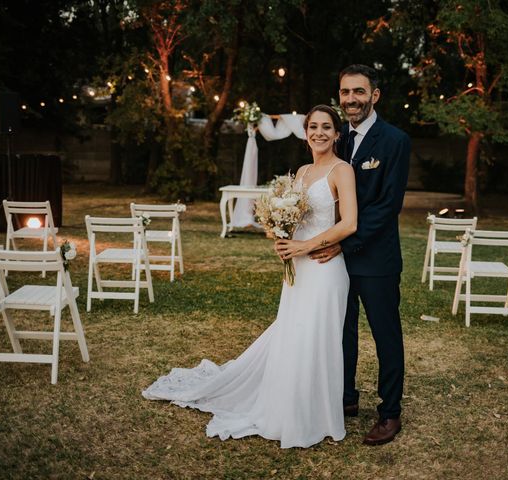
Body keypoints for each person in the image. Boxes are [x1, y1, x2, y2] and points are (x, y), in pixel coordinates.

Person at [142, 105, 357, 449]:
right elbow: (295, 218)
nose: (319, 132)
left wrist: (303, 247)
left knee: (318, 339)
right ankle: (289, 407)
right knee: (294, 335)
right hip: (298, 270)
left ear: (337, 134)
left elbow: (349, 223)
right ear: (305, 133)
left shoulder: (341, 170)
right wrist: (280, 234)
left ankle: (316, 415)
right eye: (313, 126)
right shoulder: (301, 171)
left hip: (325, 269)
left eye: (326, 127)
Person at [310, 64, 410, 446]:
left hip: (376, 259)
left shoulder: (394, 141)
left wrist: (344, 242)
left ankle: (389, 413)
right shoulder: (339, 141)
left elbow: (387, 206)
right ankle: (346, 398)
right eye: (345, 92)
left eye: (359, 92)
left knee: (385, 335)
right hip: (335, 262)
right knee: (341, 331)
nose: (351, 99)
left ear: (375, 95)